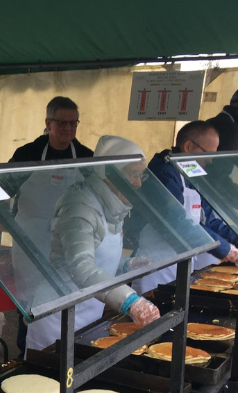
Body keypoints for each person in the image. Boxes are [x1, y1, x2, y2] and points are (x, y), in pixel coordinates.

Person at [26, 136, 160, 352]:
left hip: (89, 309)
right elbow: (80, 266)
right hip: (58, 314)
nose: (138, 183)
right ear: (107, 173)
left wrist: (126, 264)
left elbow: (98, 254)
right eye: (132, 174)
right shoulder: (80, 207)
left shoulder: (112, 204)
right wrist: (130, 301)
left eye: (140, 174)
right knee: (50, 379)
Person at [8, 97, 93, 356]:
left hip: (69, 239)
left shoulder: (88, 158)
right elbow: (4, 188)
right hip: (30, 239)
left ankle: (66, 353)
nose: (68, 128)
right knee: (29, 298)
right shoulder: (28, 154)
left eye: (73, 123)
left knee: (67, 295)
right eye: (61, 122)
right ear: (48, 123)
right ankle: (25, 353)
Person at [133, 121, 238, 295]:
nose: (211, 160)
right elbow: (177, 220)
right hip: (157, 265)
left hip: (183, 263)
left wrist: (234, 239)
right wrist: (224, 249)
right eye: (208, 153)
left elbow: (209, 218)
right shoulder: (162, 173)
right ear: (188, 146)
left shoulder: (190, 170)